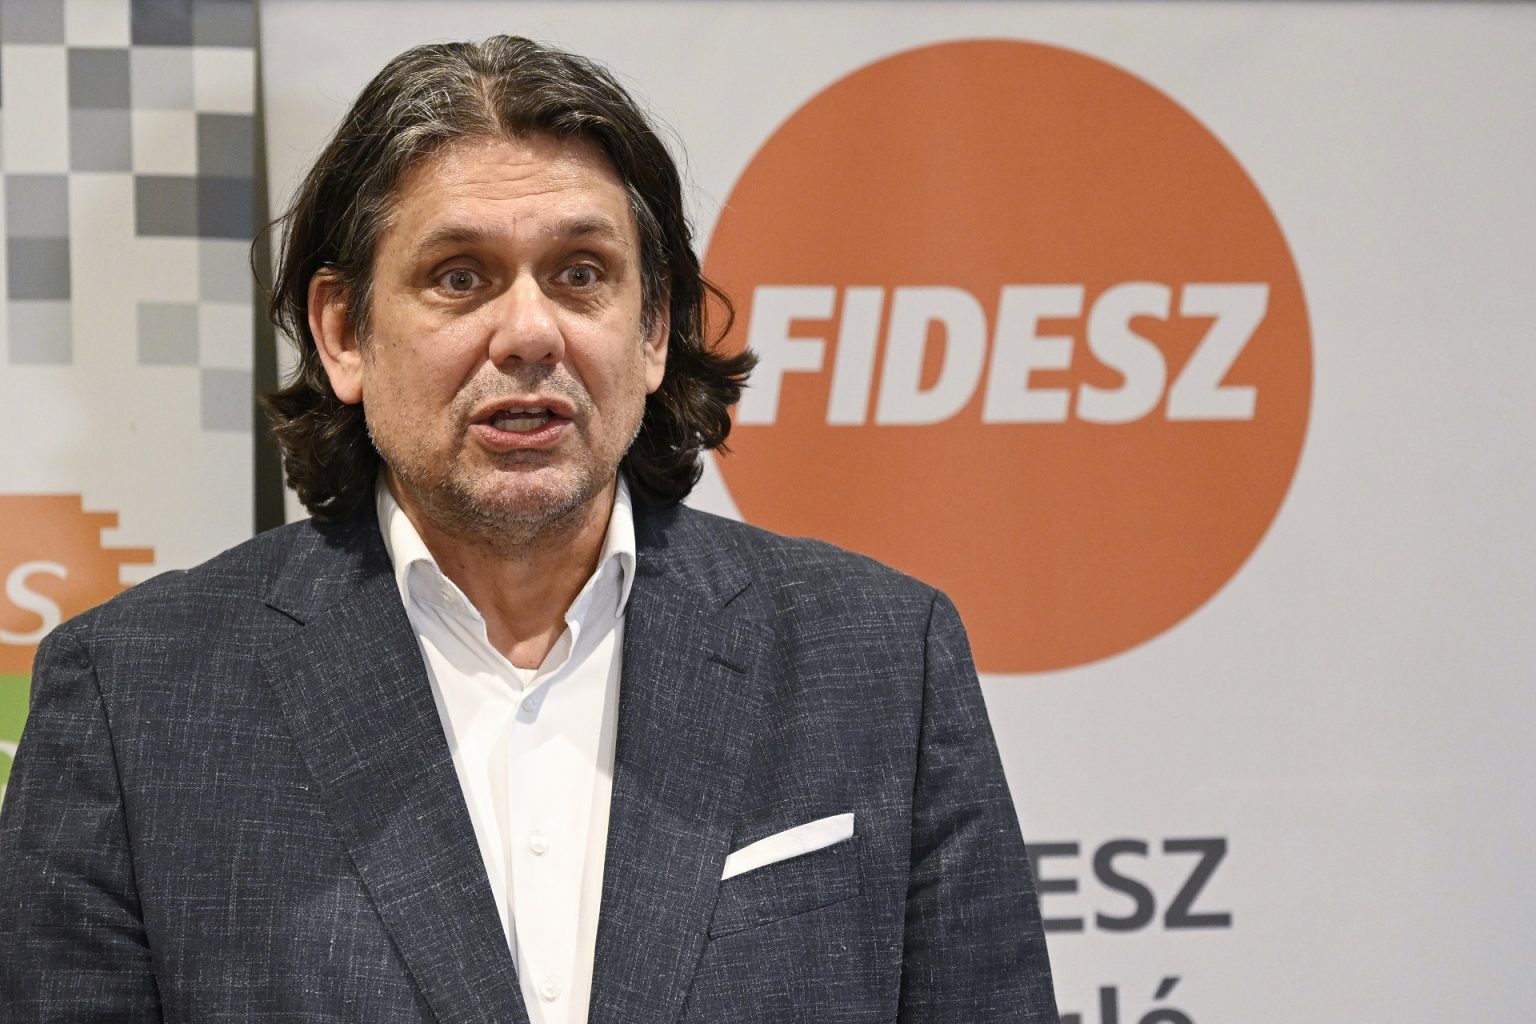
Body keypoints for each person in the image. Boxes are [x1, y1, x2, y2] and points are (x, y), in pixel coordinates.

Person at [0, 36, 1058, 1023]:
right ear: (343, 332)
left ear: (653, 328)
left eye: (581, 274)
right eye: (459, 277)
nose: (528, 332)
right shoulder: (138, 698)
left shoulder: (879, 659)